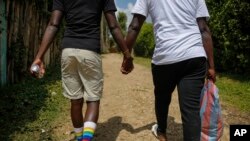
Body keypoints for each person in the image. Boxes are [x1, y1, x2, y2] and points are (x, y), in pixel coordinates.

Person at [30, 0, 133, 140]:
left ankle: (79, 138)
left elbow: (53, 24)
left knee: (75, 100)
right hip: (90, 51)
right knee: (93, 100)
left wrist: (38, 57)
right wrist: (127, 55)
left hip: (68, 52)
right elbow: (113, 26)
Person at [123, 0, 216, 141]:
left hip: (165, 58)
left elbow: (134, 26)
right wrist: (211, 66)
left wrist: (127, 55)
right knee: (191, 110)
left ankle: (161, 132)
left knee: (162, 98)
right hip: (194, 56)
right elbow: (203, 29)